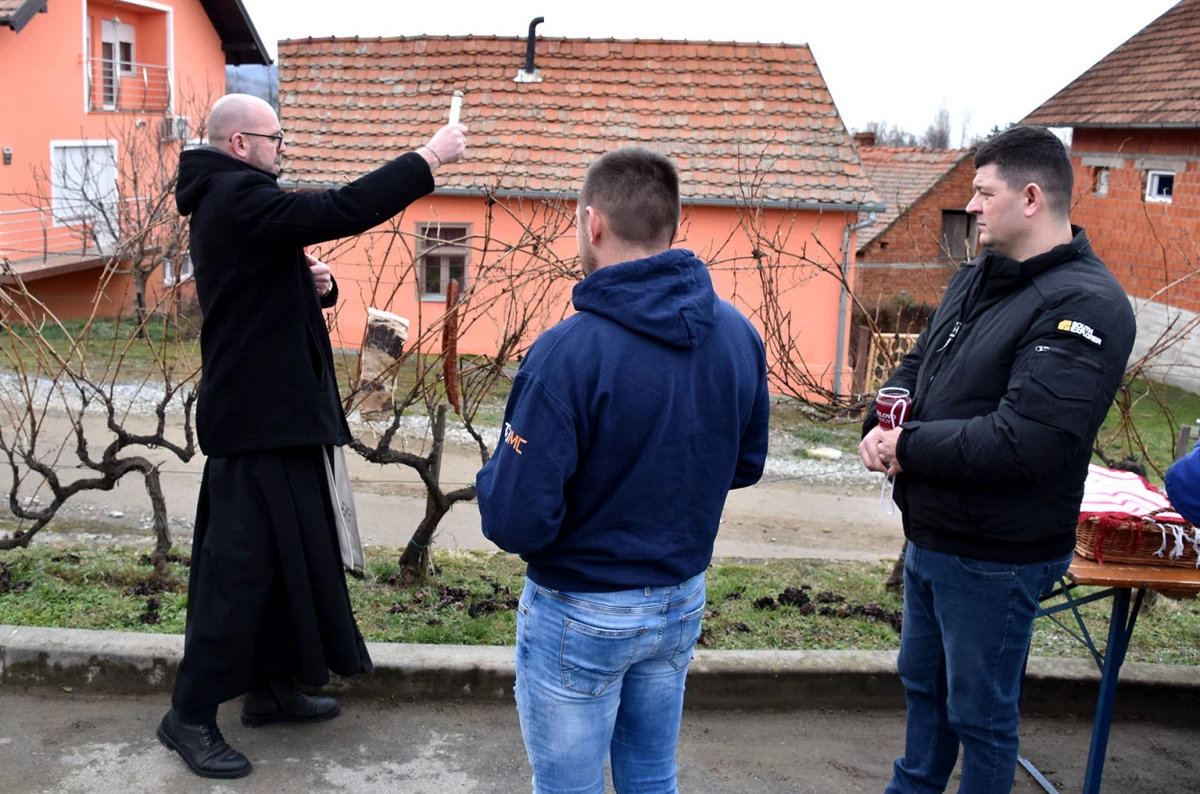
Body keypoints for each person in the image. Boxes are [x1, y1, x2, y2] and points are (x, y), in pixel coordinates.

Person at [157, 93, 466, 779]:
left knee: (284, 562)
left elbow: (256, 289)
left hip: (280, 420)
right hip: (255, 425)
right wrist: (427, 159)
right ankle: (189, 715)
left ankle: (269, 691)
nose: (283, 149)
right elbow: (339, 208)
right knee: (236, 574)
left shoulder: (235, 197)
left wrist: (312, 286)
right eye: (276, 138)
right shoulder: (236, 194)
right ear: (240, 143)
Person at [476, 147, 771, 794]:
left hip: (582, 608)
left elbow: (514, 518)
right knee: (649, 778)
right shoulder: (738, 335)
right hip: (678, 601)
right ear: (672, 224)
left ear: (593, 223)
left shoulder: (566, 352)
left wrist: (495, 476)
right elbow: (745, 464)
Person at [859, 125, 1136, 794]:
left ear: (1032, 197)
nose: (973, 206)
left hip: (996, 555)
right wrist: (885, 413)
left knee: (980, 718)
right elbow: (920, 364)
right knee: (925, 692)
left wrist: (908, 446)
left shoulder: (1086, 305)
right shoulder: (979, 276)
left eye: (984, 193)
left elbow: (1027, 440)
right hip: (934, 535)